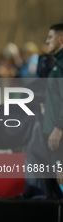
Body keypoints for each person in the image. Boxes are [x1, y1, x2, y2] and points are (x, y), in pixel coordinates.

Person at [43, 23, 63, 189]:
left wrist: (58, 128)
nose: (47, 41)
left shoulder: (61, 67)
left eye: (50, 37)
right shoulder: (57, 65)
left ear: (61, 39)